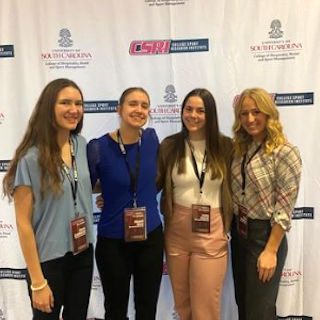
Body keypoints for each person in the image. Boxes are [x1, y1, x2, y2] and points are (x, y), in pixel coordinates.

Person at [2, 78, 95, 320]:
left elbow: (79, 187)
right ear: (48, 107)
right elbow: (23, 223)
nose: (74, 109)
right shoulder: (30, 159)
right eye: (65, 102)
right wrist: (37, 282)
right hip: (48, 261)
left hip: (83, 253)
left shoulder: (81, 145)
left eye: (78, 103)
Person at [87, 87, 164, 320]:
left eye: (144, 105)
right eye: (133, 104)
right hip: (113, 242)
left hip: (150, 237)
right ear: (119, 109)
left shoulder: (151, 139)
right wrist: (108, 192)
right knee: (116, 310)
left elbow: (155, 179)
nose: (139, 109)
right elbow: (86, 187)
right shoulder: (97, 147)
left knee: (147, 309)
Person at [157, 88, 233, 320]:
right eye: (188, 109)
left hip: (212, 230)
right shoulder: (170, 145)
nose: (193, 115)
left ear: (210, 115)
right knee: (183, 305)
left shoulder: (226, 147)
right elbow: (154, 183)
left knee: (205, 308)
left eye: (200, 110)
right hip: (177, 230)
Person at [230, 88, 302, 320]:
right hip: (239, 233)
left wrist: (270, 250)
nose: (250, 119)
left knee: (259, 312)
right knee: (244, 305)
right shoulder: (240, 148)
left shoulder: (286, 152)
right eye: (244, 113)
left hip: (265, 236)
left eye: (256, 112)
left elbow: (285, 207)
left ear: (269, 113)